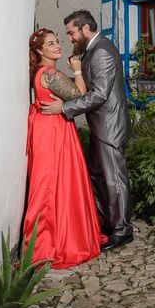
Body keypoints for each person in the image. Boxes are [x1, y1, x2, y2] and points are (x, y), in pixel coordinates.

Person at [41, 10, 133, 251]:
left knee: (114, 179)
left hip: (110, 127)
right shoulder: (92, 49)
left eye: (71, 32)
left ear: (84, 28)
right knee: (95, 174)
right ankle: (109, 222)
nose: (70, 38)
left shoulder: (101, 50)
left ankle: (122, 230)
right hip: (101, 126)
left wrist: (65, 107)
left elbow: (100, 94)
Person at [24, 28, 104, 268]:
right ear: (39, 51)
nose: (57, 45)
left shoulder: (42, 72)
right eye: (50, 44)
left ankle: (54, 237)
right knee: (55, 183)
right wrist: (77, 69)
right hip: (53, 131)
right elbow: (80, 93)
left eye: (57, 41)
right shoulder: (49, 73)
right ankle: (53, 242)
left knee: (53, 182)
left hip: (48, 127)